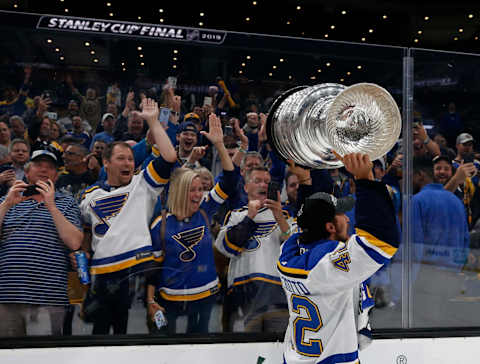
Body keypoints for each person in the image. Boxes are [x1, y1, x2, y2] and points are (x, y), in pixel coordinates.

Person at [278, 153, 399, 364]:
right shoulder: (330, 267)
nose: (346, 217)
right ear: (330, 227)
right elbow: (380, 242)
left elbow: (305, 224)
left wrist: (307, 183)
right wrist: (365, 180)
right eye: (341, 214)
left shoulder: (288, 252)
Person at [78, 98, 177, 335]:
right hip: (100, 274)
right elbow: (83, 229)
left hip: (132, 271)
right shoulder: (90, 194)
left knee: (125, 337)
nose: (128, 163)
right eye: (121, 158)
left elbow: (169, 157)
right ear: (106, 163)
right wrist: (82, 256)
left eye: (131, 159)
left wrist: (153, 122)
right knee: (98, 336)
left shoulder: (142, 184)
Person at [147, 113, 238, 334]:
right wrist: (150, 300)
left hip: (204, 297)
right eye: (192, 190)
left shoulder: (206, 209)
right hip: (168, 298)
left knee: (198, 351)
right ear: (180, 191)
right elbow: (152, 269)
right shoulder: (161, 224)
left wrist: (219, 144)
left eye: (200, 189)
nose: (198, 194)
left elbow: (229, 180)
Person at [0, 149, 83, 336]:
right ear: (27, 172)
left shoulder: (67, 202)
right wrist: (6, 204)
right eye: (38, 165)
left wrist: (51, 205)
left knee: (46, 356)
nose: (44, 170)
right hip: (7, 293)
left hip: (49, 295)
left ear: (56, 175)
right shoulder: (8, 200)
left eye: (50, 167)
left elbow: (75, 242)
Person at [215, 164, 295, 333]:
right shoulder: (236, 215)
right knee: (242, 349)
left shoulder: (284, 216)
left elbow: (295, 246)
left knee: (275, 346)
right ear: (246, 187)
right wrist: (249, 217)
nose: (264, 185)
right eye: (257, 180)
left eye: (267, 181)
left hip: (277, 292)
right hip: (243, 290)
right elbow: (228, 248)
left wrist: (278, 215)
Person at [412, 155, 470, 326]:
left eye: (413, 175)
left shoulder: (417, 201)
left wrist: (410, 282)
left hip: (427, 278)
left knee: (425, 328)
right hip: (453, 276)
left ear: (421, 175)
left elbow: (415, 245)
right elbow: (465, 240)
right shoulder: (456, 201)